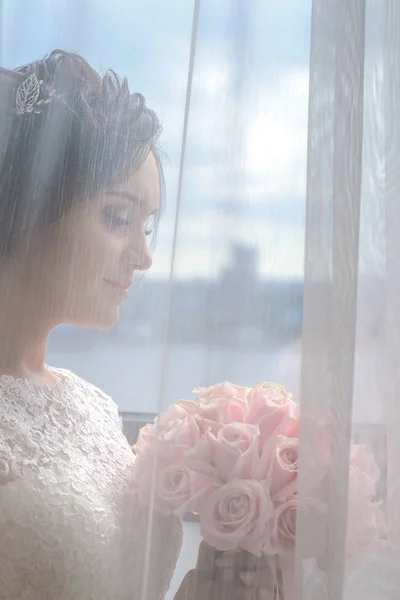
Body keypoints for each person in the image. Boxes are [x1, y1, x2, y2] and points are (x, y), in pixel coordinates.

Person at [0, 50, 271, 600]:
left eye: (147, 226)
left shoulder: (94, 406)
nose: (144, 257)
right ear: (24, 204)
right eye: (119, 217)